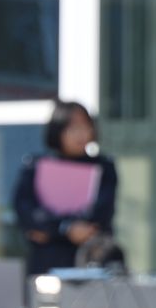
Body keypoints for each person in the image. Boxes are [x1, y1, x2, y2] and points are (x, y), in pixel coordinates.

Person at [11, 100, 120, 276]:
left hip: (90, 261)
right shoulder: (36, 166)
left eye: (85, 126)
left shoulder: (104, 167)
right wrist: (64, 229)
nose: (80, 134)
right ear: (58, 130)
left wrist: (52, 232)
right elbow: (27, 211)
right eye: (72, 128)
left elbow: (102, 212)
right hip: (47, 263)